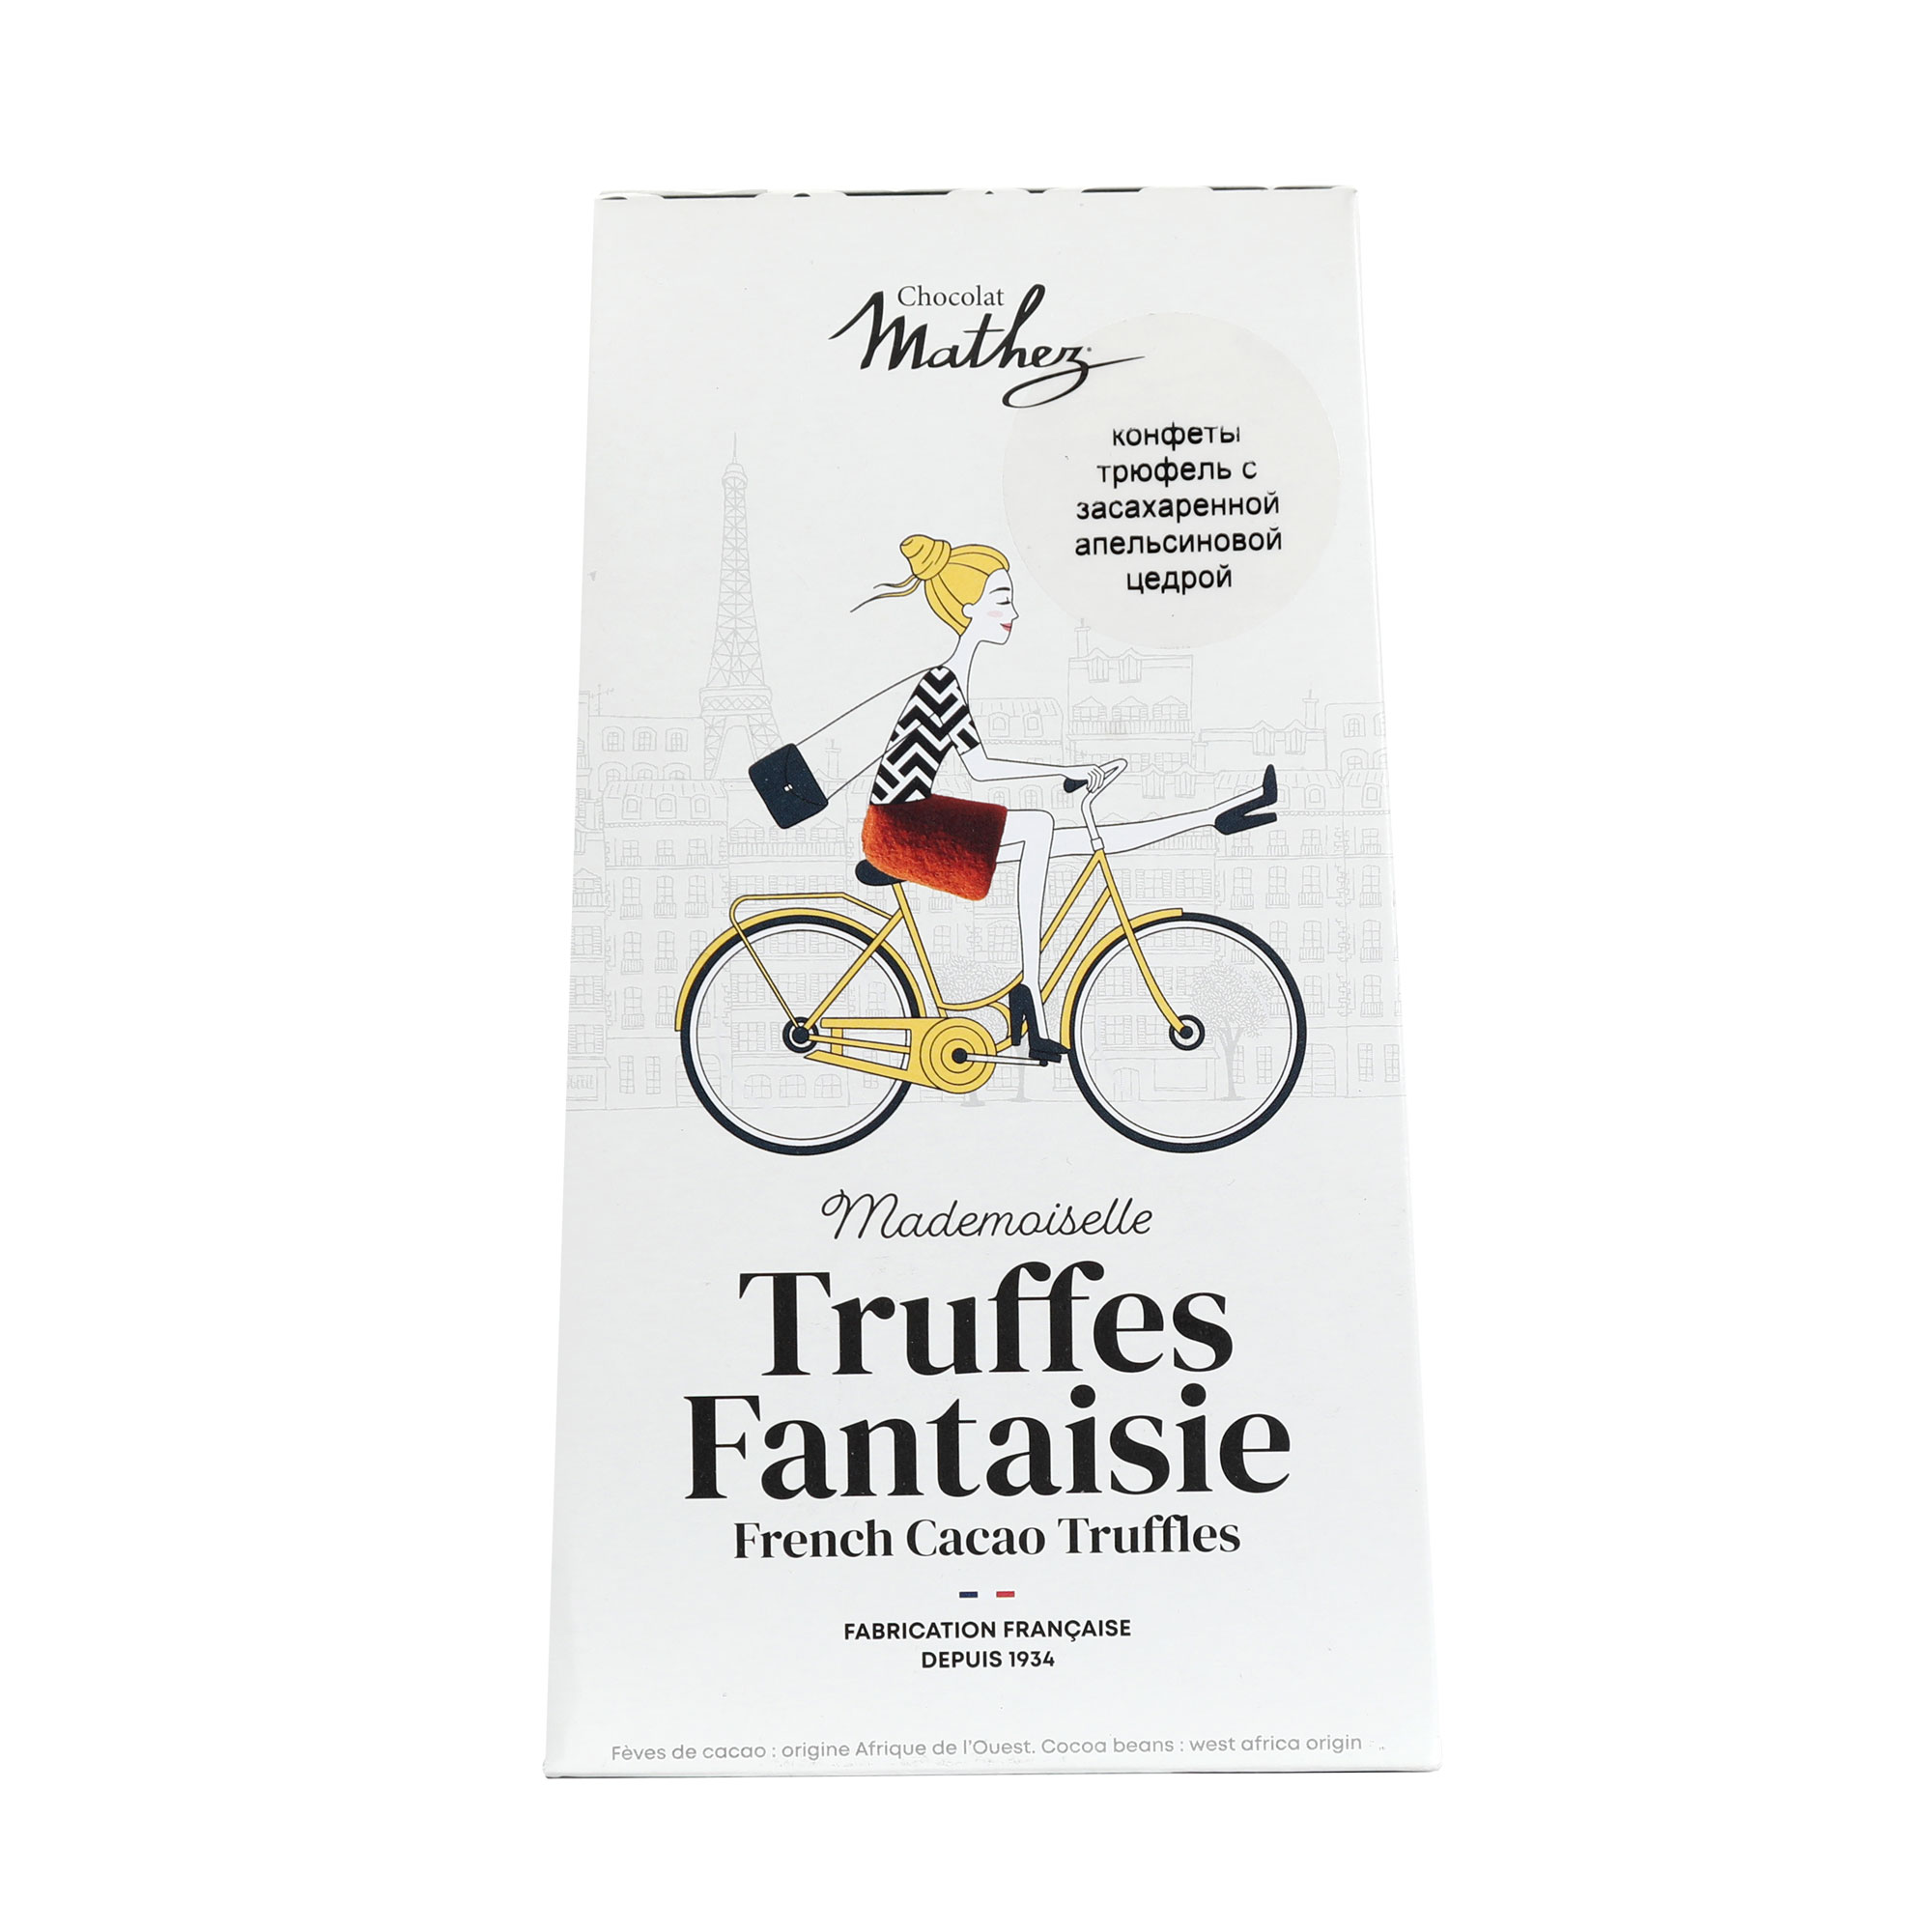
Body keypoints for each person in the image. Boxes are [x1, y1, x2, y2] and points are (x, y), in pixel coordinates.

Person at [857, 533, 1276, 1062]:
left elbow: (978, 768)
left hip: (910, 819)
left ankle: (1210, 816)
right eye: (1002, 600)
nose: (1014, 613)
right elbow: (982, 771)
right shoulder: (942, 683)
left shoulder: (948, 682)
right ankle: (1029, 992)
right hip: (900, 827)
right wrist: (1067, 769)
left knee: (1076, 839)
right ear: (967, 610)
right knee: (1038, 827)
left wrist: (1072, 773)